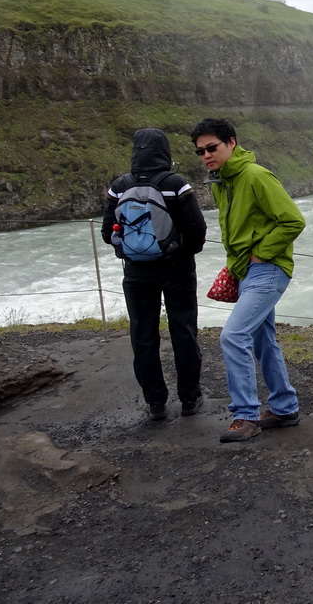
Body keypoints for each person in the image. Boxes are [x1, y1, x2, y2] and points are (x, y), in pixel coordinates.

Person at [191, 118, 306, 443]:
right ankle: (285, 409)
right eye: (201, 152)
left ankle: (245, 416)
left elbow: (293, 220)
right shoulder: (223, 182)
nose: (206, 156)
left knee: (233, 335)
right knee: (261, 339)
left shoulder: (255, 176)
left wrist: (261, 253)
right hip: (247, 272)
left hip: (268, 270)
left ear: (231, 142)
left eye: (212, 148)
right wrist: (238, 265)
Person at [102, 128, 207, 421]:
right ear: (165, 151)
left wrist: (129, 253)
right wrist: (183, 252)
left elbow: (107, 232)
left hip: (136, 273)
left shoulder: (119, 187)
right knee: (183, 331)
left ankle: (155, 403)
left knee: (143, 335)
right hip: (177, 270)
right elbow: (197, 229)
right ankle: (189, 398)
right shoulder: (176, 185)